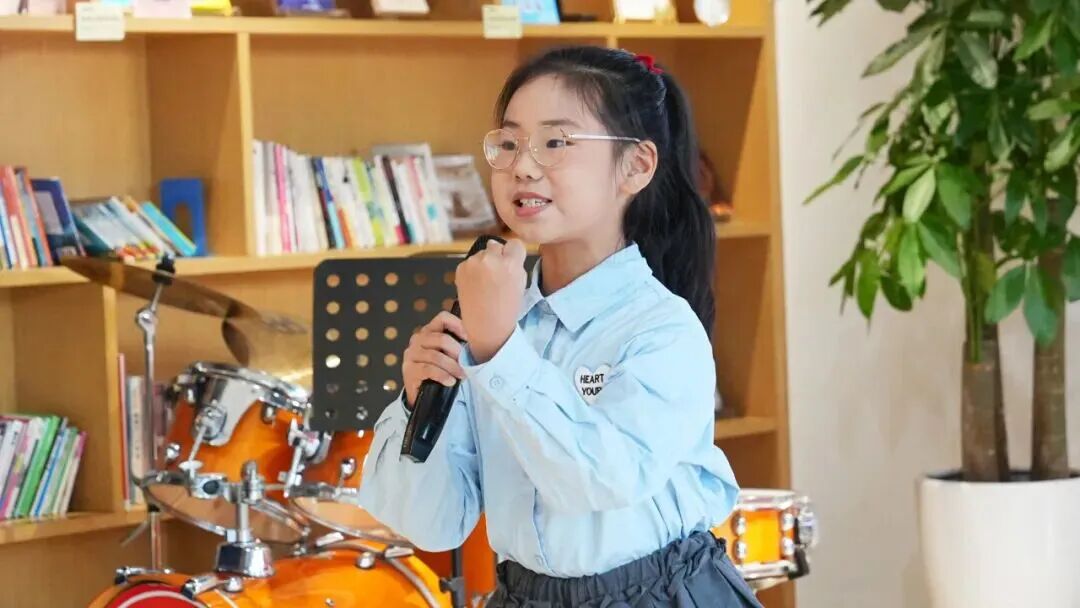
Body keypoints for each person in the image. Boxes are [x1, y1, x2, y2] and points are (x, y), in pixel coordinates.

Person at [356, 45, 762, 608]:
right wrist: (414, 402)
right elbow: (432, 524)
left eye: (556, 142)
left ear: (636, 166)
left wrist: (500, 353)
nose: (523, 166)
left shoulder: (661, 329)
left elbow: (598, 481)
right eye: (508, 143)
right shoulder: (491, 320)